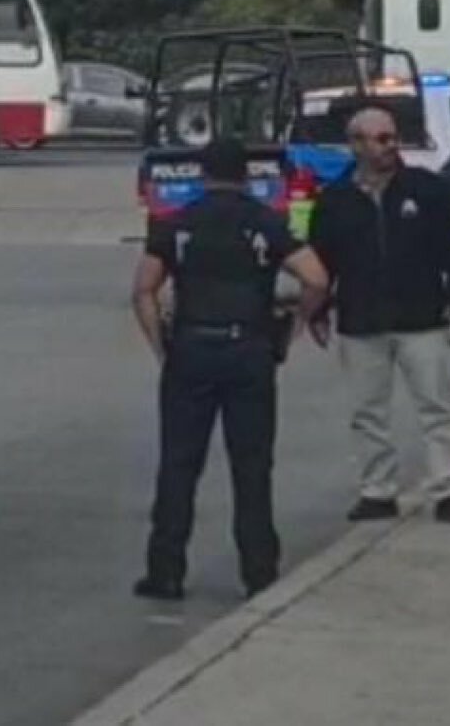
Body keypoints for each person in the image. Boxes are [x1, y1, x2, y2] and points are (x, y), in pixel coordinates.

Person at [131, 137, 329, 601]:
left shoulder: (177, 224)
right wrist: (297, 323)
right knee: (252, 465)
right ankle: (258, 569)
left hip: (192, 348)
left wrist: (162, 347)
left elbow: (143, 289)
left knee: (179, 463)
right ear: (247, 176)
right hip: (249, 350)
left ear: (202, 174)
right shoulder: (266, 223)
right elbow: (316, 278)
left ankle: (166, 570)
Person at [306, 106, 450, 528]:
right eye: (380, 139)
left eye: (392, 137)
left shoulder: (428, 190)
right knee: (367, 411)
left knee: (436, 407)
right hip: (361, 319)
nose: (390, 146)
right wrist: (318, 309)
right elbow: (321, 260)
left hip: (421, 316)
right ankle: (377, 491)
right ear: (356, 145)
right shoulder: (335, 201)